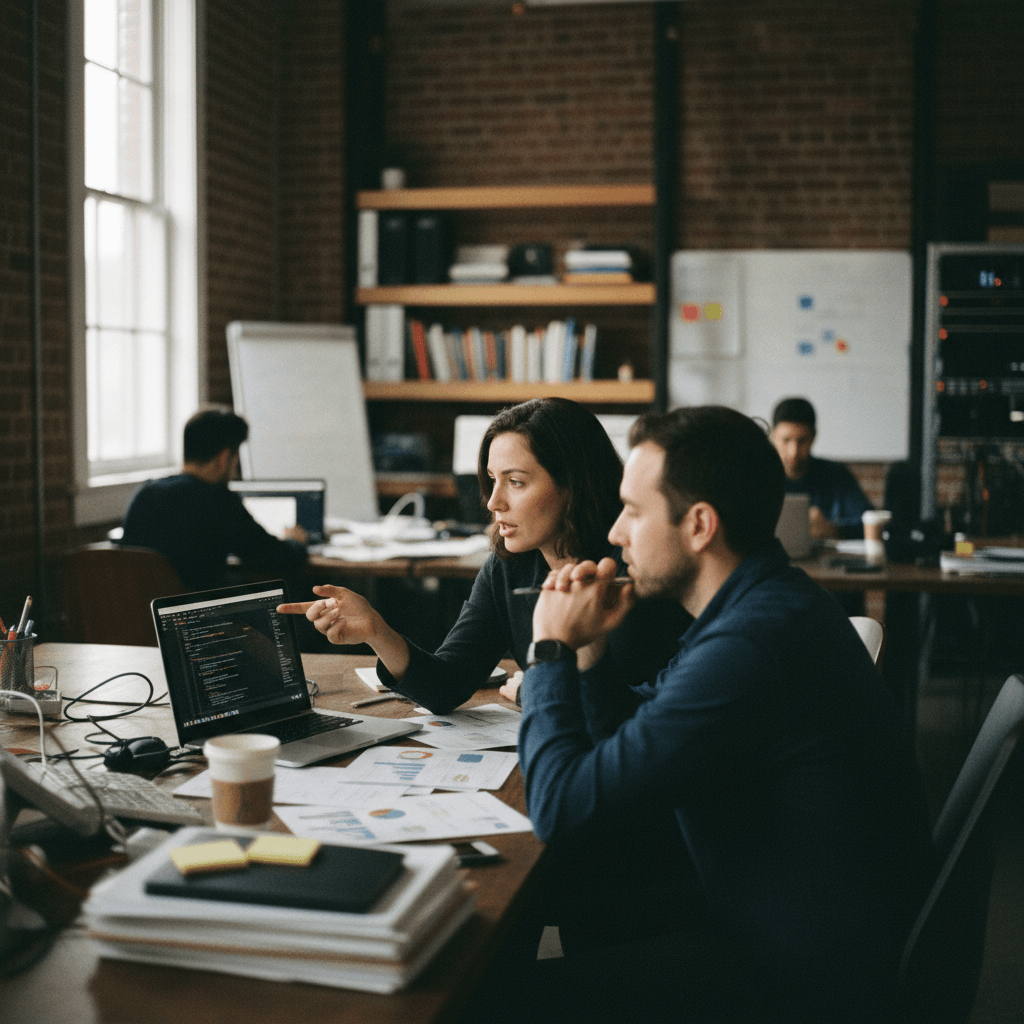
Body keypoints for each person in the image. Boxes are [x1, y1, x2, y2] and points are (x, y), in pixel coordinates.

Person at [505, 405, 935, 1023]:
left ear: (699, 525)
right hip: (778, 913)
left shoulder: (752, 644)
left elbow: (560, 810)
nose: (617, 533)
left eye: (634, 510)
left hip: (798, 978)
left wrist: (550, 651)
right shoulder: (762, 604)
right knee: (547, 901)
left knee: (501, 994)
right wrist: (593, 655)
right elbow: (635, 734)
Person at [278, 397, 687, 713]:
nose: (493, 502)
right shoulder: (509, 566)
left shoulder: (638, 566)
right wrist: (375, 631)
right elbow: (448, 685)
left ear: (572, 485)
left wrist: (540, 689)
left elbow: (651, 708)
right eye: (492, 480)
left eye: (517, 482)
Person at [120, 406, 308, 591]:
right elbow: (275, 558)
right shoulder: (217, 501)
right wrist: (295, 541)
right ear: (225, 458)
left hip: (140, 614)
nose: (234, 471)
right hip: (198, 615)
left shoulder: (144, 493)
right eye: (236, 460)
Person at [770, 396, 872, 539]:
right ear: (773, 437)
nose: (794, 451)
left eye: (802, 440)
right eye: (786, 440)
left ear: (813, 437)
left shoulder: (836, 474)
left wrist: (833, 529)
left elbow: (869, 522)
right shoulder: (761, 477)